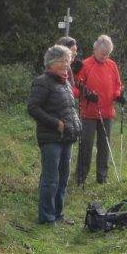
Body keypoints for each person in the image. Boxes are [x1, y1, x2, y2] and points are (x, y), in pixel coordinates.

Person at [27, 44, 82, 225]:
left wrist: (75, 125)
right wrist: (56, 123)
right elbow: (33, 108)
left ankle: (58, 214)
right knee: (51, 179)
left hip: (66, 137)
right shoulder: (42, 82)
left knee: (63, 178)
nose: (67, 66)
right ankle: (47, 217)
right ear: (52, 63)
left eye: (68, 62)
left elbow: (69, 108)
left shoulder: (65, 82)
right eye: (64, 63)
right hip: (51, 138)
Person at [74, 34, 125, 185]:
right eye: (103, 53)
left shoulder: (112, 65)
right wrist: (86, 94)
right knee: (86, 144)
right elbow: (76, 88)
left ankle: (102, 176)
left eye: (108, 54)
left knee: (105, 145)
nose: (105, 56)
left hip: (107, 112)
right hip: (89, 113)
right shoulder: (85, 65)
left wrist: (119, 96)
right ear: (95, 49)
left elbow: (118, 86)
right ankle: (81, 176)